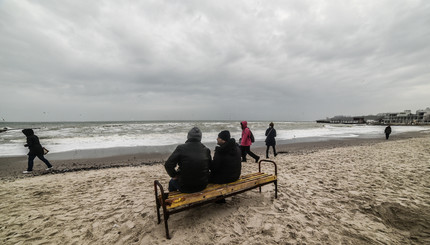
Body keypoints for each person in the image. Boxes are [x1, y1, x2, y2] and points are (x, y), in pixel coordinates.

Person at [164, 127, 211, 193]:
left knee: (171, 182)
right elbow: (210, 166)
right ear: (200, 138)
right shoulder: (206, 150)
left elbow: (168, 165)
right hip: (202, 185)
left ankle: (173, 200)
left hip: (185, 187)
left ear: (188, 136)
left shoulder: (181, 148)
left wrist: (174, 175)